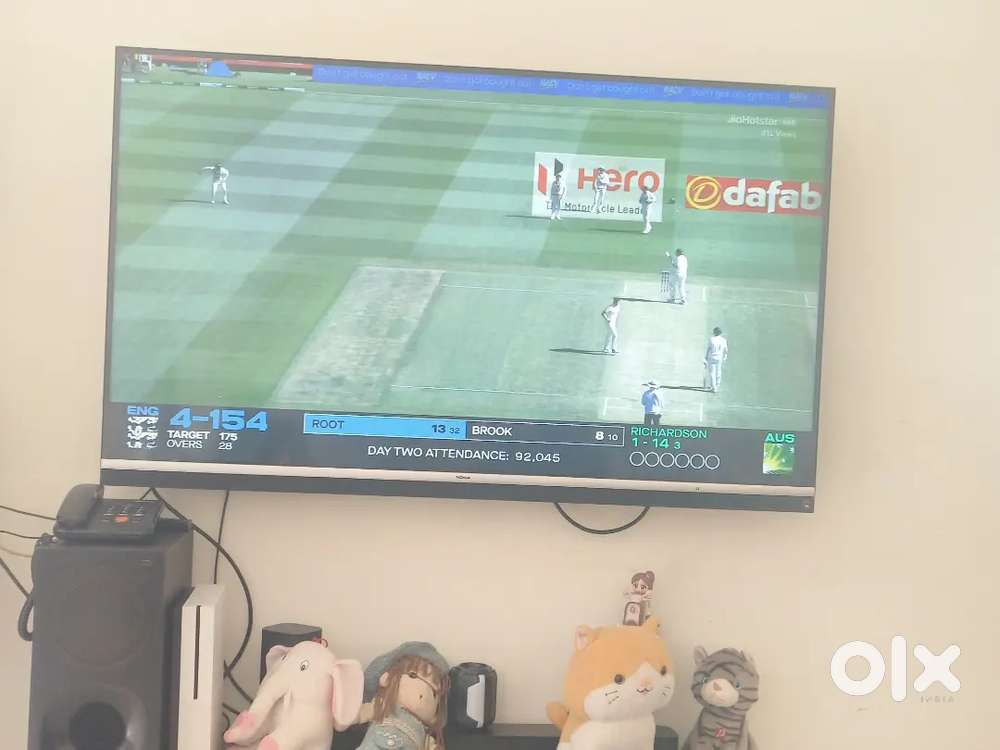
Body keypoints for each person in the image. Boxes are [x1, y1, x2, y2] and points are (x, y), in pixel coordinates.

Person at [704, 326, 729, 393]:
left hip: (712, 357)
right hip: (719, 358)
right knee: (718, 371)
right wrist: (725, 357)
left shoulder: (711, 339)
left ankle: (713, 387)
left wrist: (705, 358)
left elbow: (708, 349)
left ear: (714, 332)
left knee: (712, 373)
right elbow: (726, 350)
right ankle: (717, 385)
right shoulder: (723, 340)